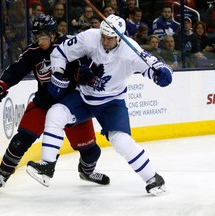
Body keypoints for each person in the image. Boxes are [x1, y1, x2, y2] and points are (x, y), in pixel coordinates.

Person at [27, 14, 173, 195]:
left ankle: (153, 178)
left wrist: (163, 73)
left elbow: (153, 65)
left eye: (110, 38)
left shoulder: (130, 50)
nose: (105, 41)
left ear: (119, 37)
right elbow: (60, 53)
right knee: (56, 113)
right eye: (103, 36)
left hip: (111, 102)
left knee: (121, 140)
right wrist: (57, 73)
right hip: (84, 96)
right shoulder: (90, 37)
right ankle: (47, 167)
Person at [0, 13, 110, 192]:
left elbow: (86, 66)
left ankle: (86, 171)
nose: (39, 42)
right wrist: (0, 85)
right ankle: (2, 176)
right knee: (20, 141)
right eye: (36, 37)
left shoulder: (70, 46)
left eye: (42, 37)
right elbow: (15, 71)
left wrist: (85, 74)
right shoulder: (33, 52)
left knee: (91, 151)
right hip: (44, 103)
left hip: (72, 106)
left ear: (53, 34)